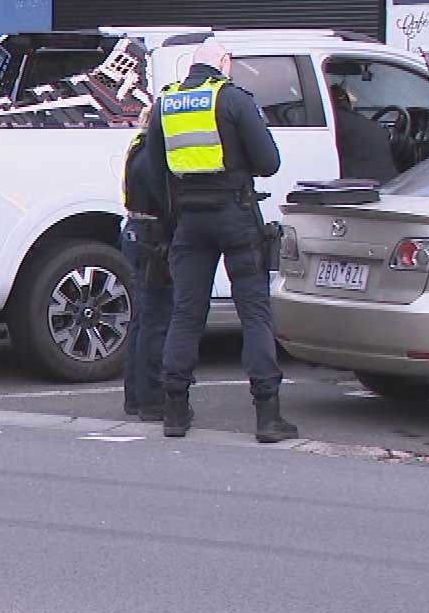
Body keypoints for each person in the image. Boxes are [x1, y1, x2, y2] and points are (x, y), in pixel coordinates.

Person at [142, 39, 298, 443]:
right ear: (224, 64)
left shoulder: (167, 104)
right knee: (254, 313)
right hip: (235, 215)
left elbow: (154, 172)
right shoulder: (233, 101)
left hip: (189, 222)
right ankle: (267, 416)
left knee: (187, 313)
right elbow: (268, 163)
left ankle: (175, 411)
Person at [120, 104, 173, 422]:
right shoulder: (154, 152)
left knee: (141, 320)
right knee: (156, 320)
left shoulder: (137, 146)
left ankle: (135, 397)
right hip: (152, 235)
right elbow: (163, 197)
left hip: (135, 232)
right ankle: (152, 399)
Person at [329, 83, 400, 182]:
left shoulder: (333, 122)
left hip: (355, 188)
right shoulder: (372, 127)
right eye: (350, 94)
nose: (355, 99)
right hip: (387, 188)